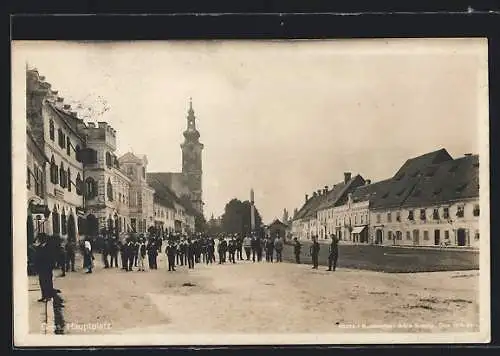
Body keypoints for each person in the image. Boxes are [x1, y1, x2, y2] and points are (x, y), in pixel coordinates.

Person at [34, 234, 56, 302]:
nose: (39, 240)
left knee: (48, 282)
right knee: (42, 282)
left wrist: (51, 266)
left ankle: (49, 296)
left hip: (47, 268)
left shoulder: (49, 247)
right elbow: (37, 258)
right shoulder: (39, 247)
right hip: (41, 268)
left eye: (39, 239)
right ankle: (44, 296)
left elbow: (52, 258)